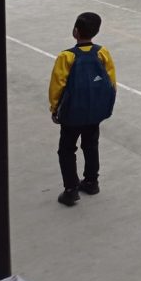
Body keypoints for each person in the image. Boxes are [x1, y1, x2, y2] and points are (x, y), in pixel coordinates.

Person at [49, 12, 116, 206]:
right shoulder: (102, 52)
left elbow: (57, 85)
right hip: (94, 111)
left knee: (66, 150)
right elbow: (111, 82)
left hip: (72, 113)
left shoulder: (67, 56)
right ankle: (92, 182)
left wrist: (54, 108)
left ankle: (71, 190)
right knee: (91, 145)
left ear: (75, 32)